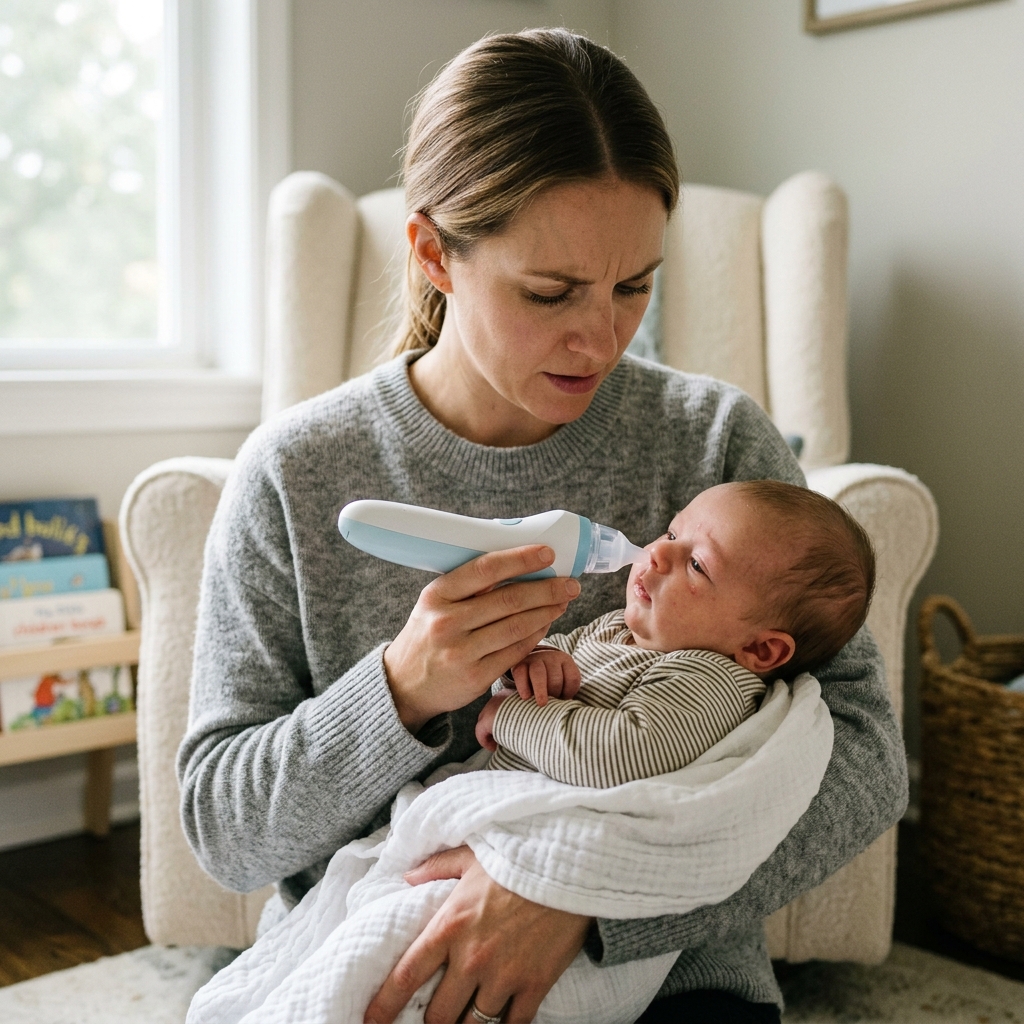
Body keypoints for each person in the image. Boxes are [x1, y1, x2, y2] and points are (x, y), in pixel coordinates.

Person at [177, 28, 907, 1024]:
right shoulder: (296, 474)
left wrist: (588, 898)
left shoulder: (712, 441)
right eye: (550, 292)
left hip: (667, 982)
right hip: (379, 974)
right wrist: (399, 691)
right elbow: (224, 826)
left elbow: (865, 757)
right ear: (434, 252)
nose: (600, 337)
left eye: (633, 287)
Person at [476, 480, 876, 788]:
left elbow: (617, 757)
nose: (657, 552)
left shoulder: (709, 679)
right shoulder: (618, 627)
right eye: (671, 533)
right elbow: (524, 663)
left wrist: (511, 714)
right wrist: (534, 660)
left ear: (760, 648)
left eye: (698, 565)